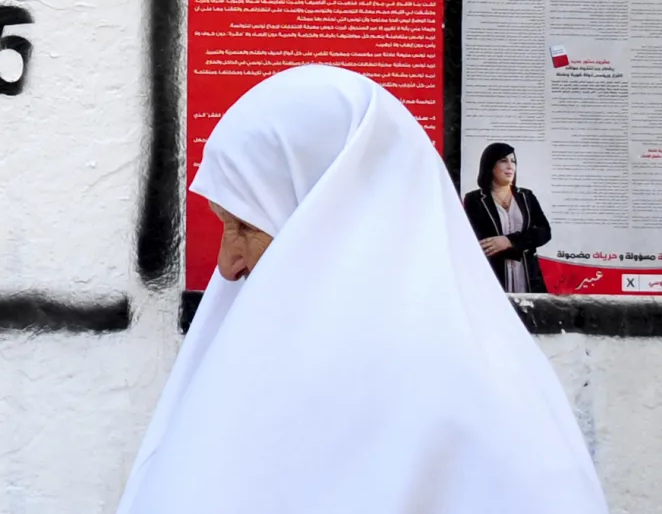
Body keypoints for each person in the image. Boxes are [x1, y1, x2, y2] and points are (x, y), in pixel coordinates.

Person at [115, 65, 608, 514]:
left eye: (245, 224)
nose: (228, 265)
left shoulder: (484, 408)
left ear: (330, 213)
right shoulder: (257, 359)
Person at [463, 142, 552, 293]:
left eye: (513, 161)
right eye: (504, 161)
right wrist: (523, 241)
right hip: (493, 276)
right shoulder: (475, 199)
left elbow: (544, 232)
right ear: (490, 165)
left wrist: (510, 241)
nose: (510, 166)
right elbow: (481, 241)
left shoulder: (526, 196)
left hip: (527, 277)